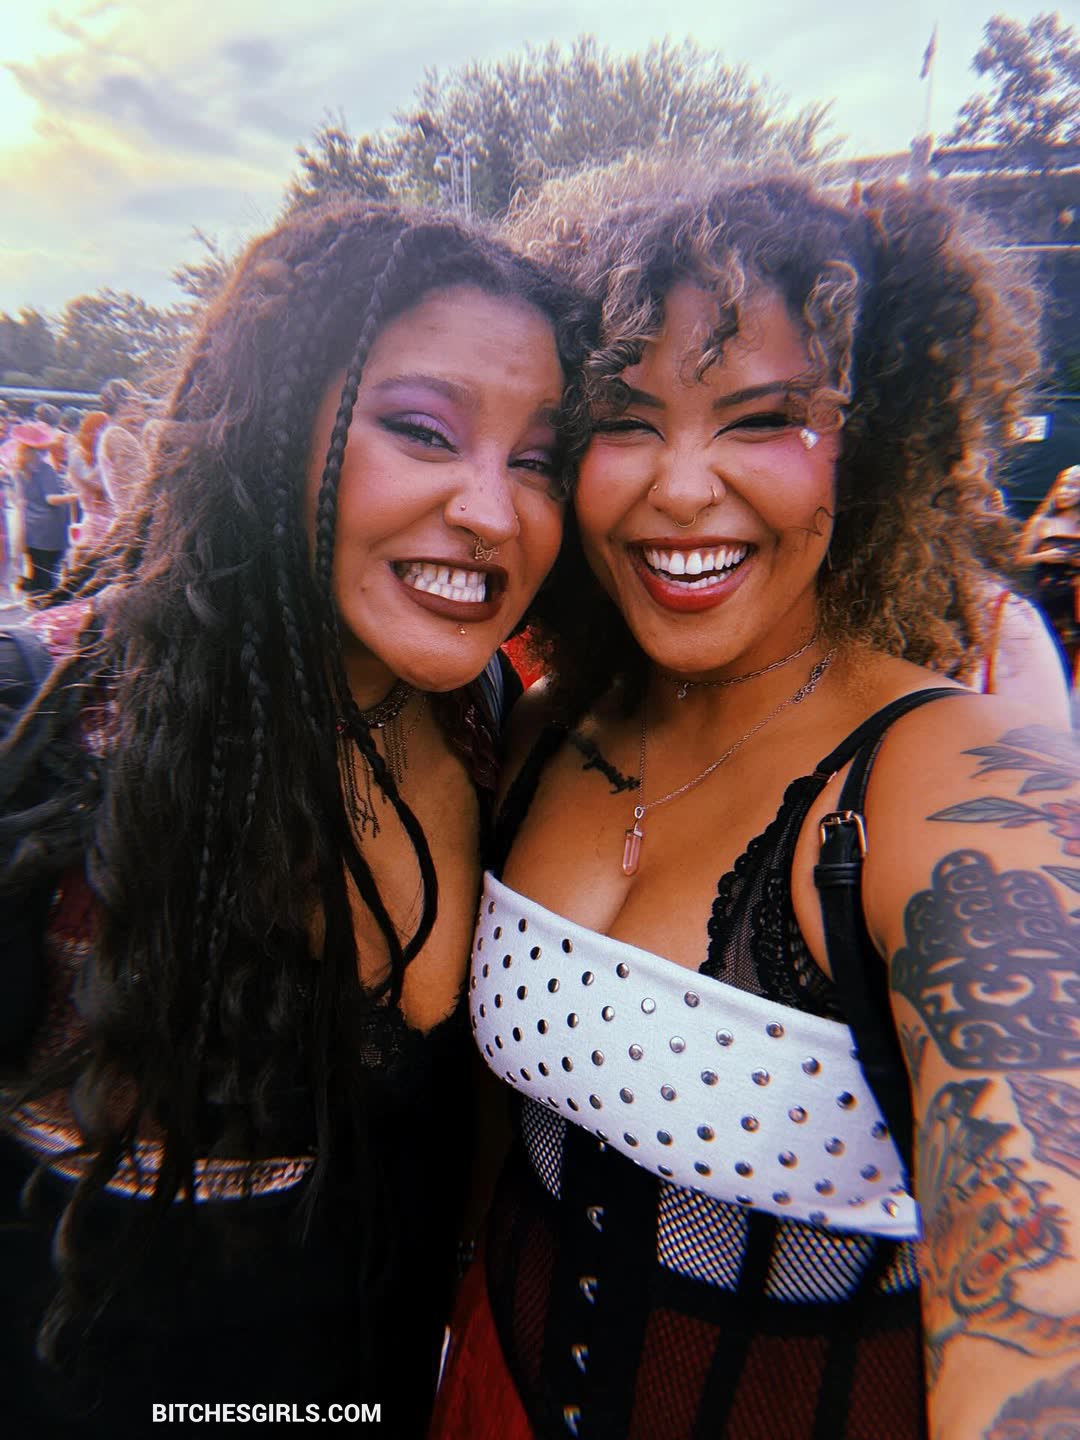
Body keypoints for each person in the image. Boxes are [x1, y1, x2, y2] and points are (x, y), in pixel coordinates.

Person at [431, 168, 1080, 1439]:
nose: (682, 489)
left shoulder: (965, 790)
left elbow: (1046, 1323)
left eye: (764, 417)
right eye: (626, 421)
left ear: (870, 437)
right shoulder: (547, 728)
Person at [0, 199, 591, 1436]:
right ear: (275, 429)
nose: (494, 511)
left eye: (538, 458)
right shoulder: (44, 724)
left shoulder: (498, 727)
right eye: (423, 430)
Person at [1019, 464, 1080, 683]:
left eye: (1073, 486)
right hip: (1047, 597)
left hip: (1076, 599)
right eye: (1063, 485)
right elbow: (1018, 560)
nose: (1065, 492)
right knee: (1045, 648)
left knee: (1072, 653)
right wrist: (1045, 556)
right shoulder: (1041, 522)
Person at [10, 420, 68, 593]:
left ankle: (32, 598)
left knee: (36, 573)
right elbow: (51, 499)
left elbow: (19, 499)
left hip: (30, 529)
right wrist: (75, 496)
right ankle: (45, 605)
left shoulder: (19, 470)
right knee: (49, 578)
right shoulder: (45, 469)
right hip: (50, 530)